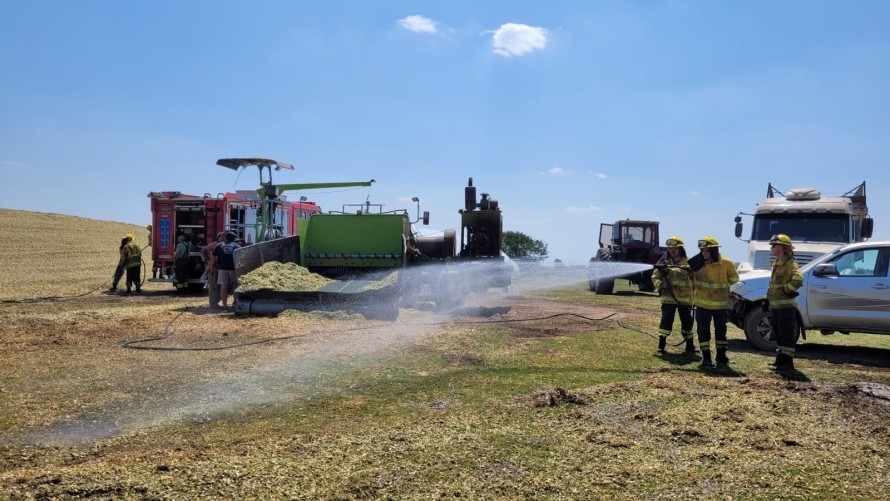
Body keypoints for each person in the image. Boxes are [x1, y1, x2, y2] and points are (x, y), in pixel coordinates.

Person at [689, 236, 739, 369]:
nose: (704, 253)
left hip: (720, 305)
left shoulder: (727, 263)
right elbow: (689, 278)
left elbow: (734, 279)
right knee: (703, 331)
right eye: (702, 251)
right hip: (702, 305)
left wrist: (727, 289)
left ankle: (721, 357)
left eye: (707, 251)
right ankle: (706, 358)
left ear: (714, 251)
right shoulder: (697, 264)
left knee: (721, 332)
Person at [765, 234, 803, 371]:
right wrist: (767, 300)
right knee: (778, 333)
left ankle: (788, 362)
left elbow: (798, 279)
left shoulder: (790, 263)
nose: (771, 247)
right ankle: (780, 359)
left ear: (781, 247)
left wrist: (787, 290)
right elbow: (773, 285)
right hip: (776, 306)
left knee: (786, 334)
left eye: (774, 245)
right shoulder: (777, 263)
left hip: (786, 307)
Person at [652, 236, 696, 355]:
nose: (672, 250)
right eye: (670, 248)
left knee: (687, 322)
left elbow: (696, 279)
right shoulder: (663, 263)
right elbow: (655, 276)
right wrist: (661, 285)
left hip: (685, 299)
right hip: (668, 299)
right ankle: (661, 347)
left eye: (675, 248)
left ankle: (690, 346)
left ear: (680, 249)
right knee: (666, 322)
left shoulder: (689, 263)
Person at [213, 232, 241, 309]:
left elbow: (213, 257)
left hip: (222, 268)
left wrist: (212, 267)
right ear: (234, 238)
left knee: (223, 286)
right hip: (234, 268)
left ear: (225, 238)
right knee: (236, 285)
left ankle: (224, 306)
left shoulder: (219, 245)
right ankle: (235, 303)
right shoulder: (237, 246)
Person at [200, 232, 226, 310]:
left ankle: (217, 303)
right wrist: (208, 259)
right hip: (214, 267)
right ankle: (213, 305)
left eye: (224, 236)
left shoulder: (225, 244)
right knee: (213, 286)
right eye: (222, 236)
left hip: (222, 268)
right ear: (218, 237)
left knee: (220, 286)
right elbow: (202, 251)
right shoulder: (214, 244)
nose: (223, 238)